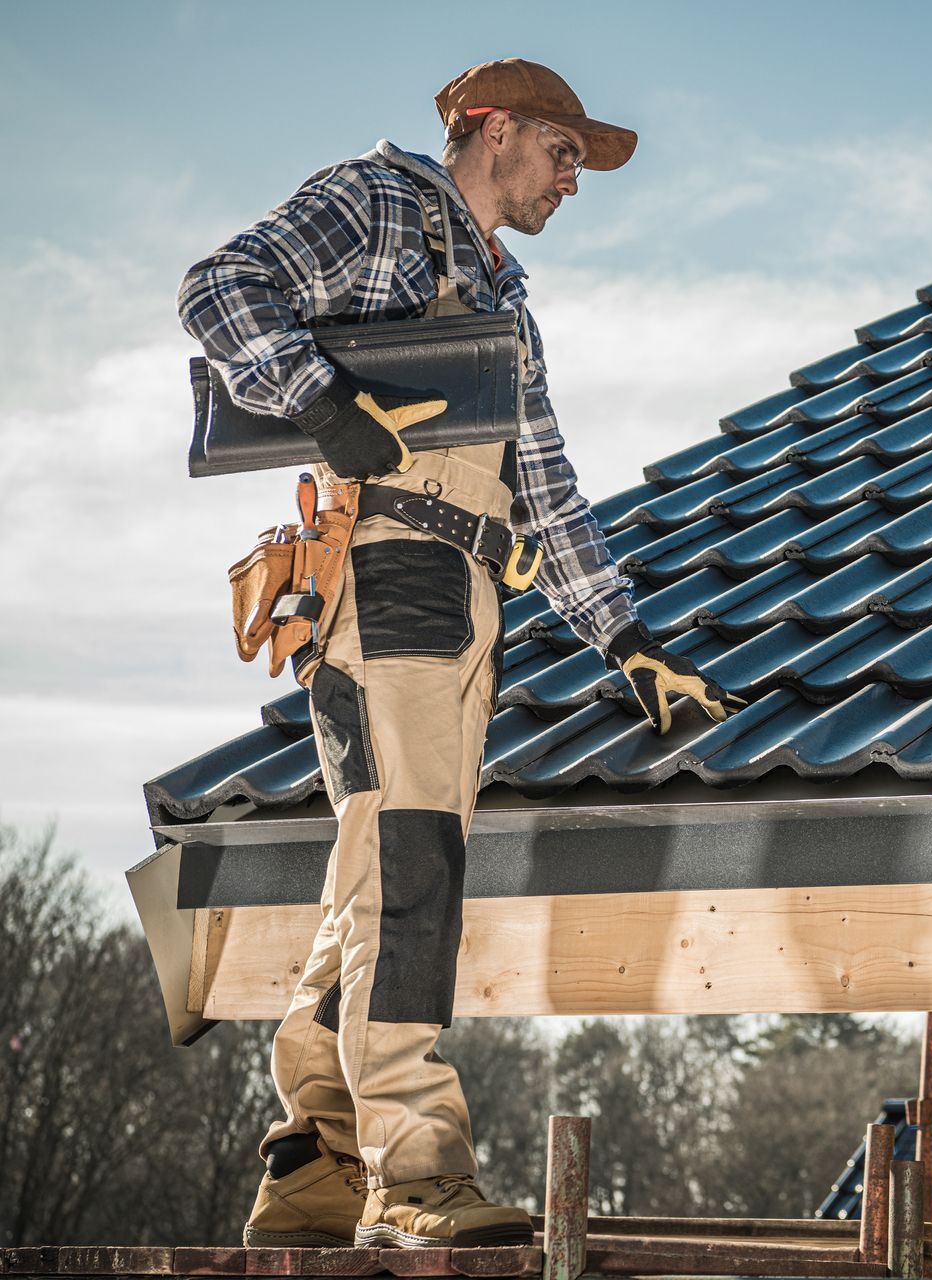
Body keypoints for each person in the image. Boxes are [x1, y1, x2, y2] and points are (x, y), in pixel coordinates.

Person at [178, 58, 738, 1250]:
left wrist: (626, 638)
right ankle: (417, 1171)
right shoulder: (379, 204)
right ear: (491, 130)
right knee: (416, 868)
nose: (575, 180)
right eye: (565, 152)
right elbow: (219, 289)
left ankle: (315, 1159)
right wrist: (323, 403)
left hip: (461, 593)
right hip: (391, 579)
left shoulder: (504, 300)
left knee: (374, 874)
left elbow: (547, 483)